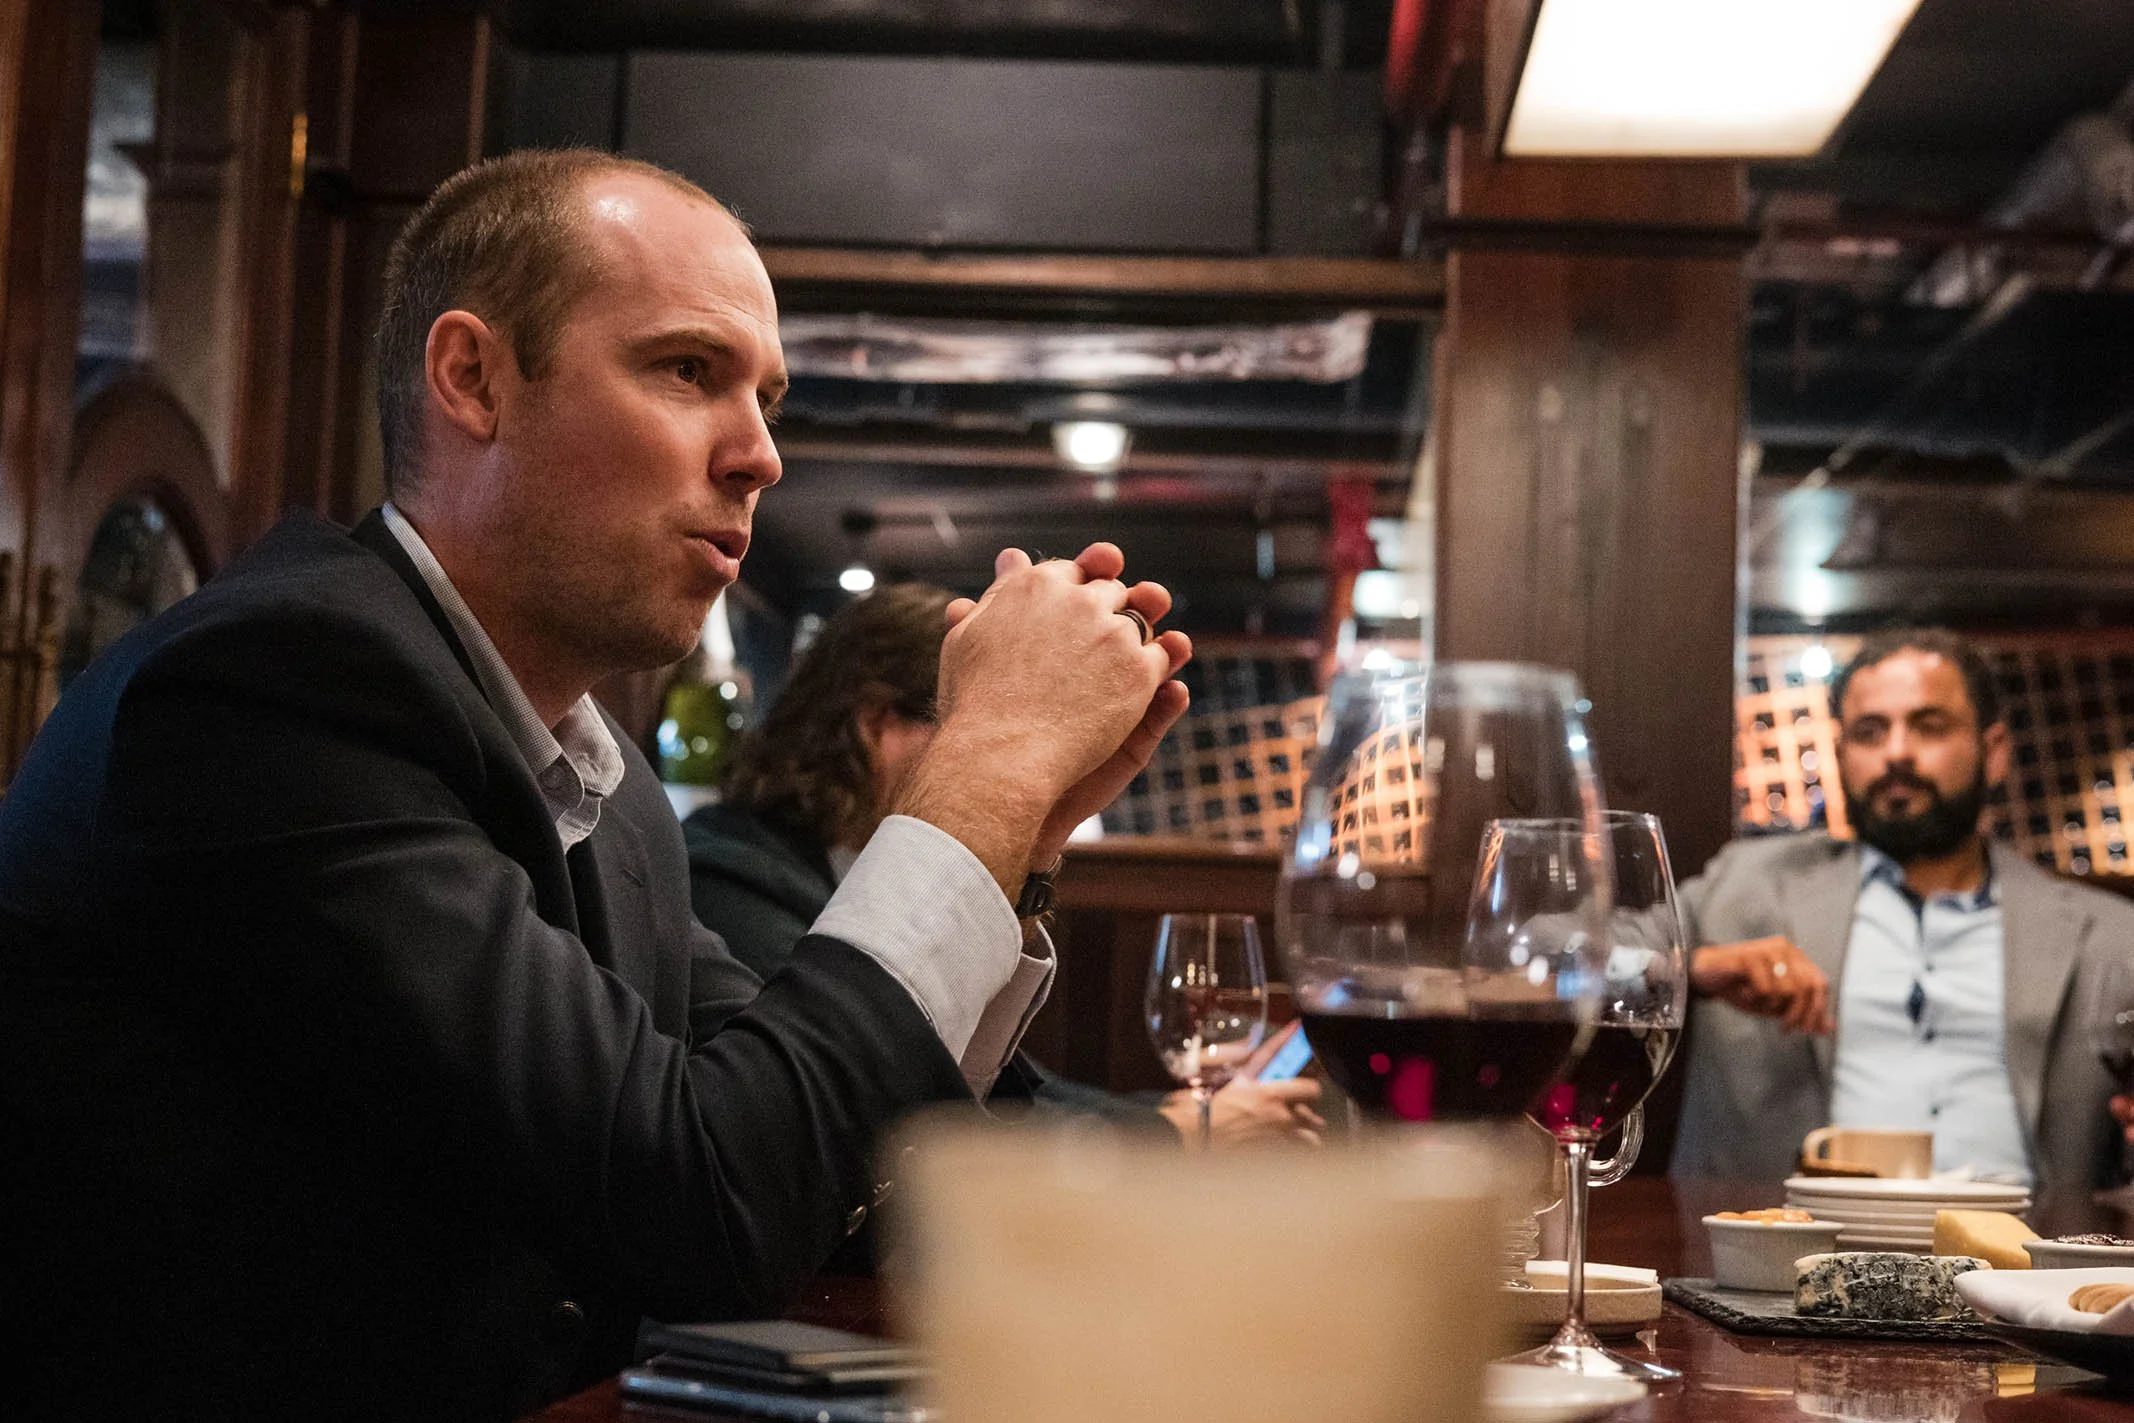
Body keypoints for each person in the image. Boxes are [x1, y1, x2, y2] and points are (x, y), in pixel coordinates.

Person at [0, 150, 1193, 1421]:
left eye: (768, 398)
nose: (760, 456)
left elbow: (832, 1159)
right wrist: (985, 768)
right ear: (474, 379)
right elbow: (702, 1197)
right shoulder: (270, 691)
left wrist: (1018, 834)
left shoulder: (600, 787)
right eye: (689, 370)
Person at [683, 582, 1324, 1148]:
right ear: (879, 725)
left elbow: (1007, 1094)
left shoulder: (843, 864)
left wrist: (1177, 1115)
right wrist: (1178, 1130)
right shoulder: (728, 877)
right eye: (985, 728)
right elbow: (882, 1119)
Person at [1670, 628, 2134, 1192]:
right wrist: (1691, 970)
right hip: (1796, 1256)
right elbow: (1571, 957)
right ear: (1842, 757)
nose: (1896, 753)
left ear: (1994, 754)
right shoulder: (1746, 888)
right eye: (1869, 733)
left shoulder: (2110, 939)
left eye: (1928, 726)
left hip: (2023, 1263)